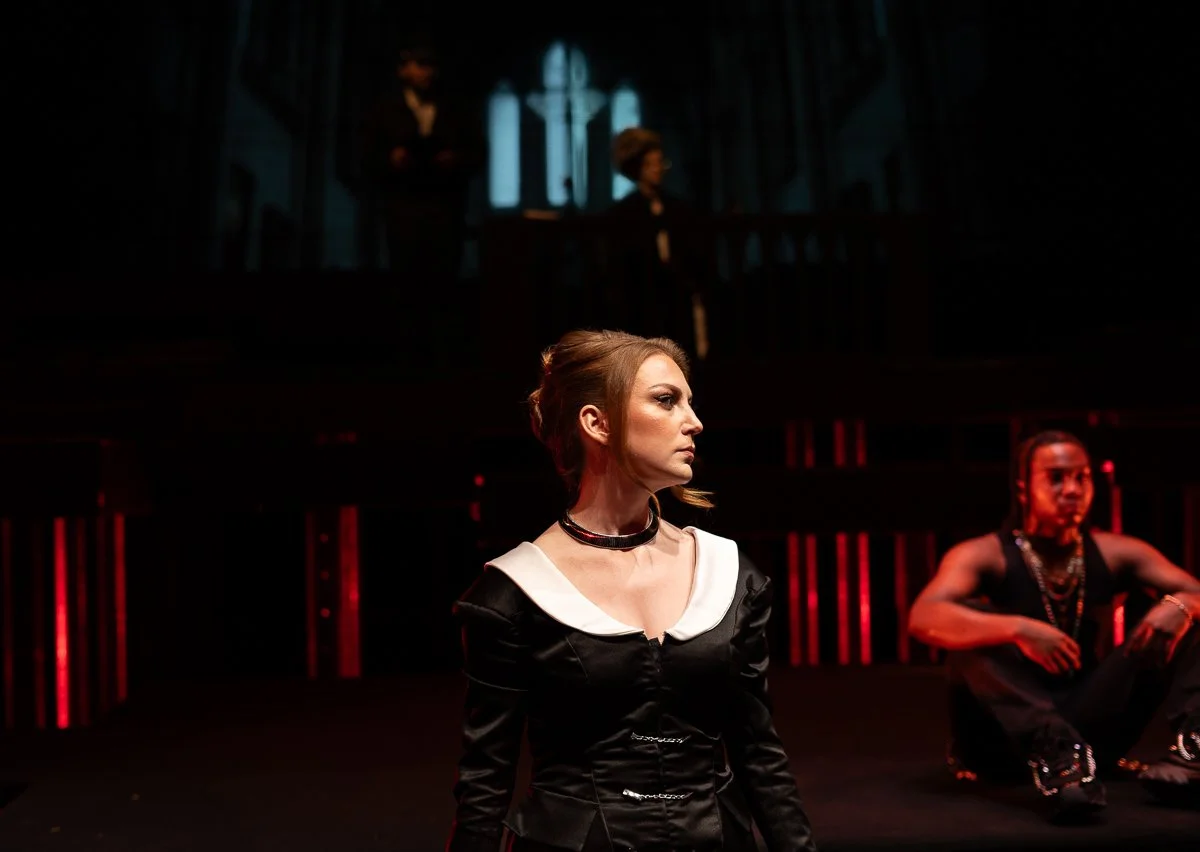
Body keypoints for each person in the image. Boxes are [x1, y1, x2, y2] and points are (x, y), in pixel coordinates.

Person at [445, 330, 817, 851]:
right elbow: (485, 785)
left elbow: (759, 755)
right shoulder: (515, 592)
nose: (694, 422)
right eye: (666, 400)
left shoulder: (726, 572)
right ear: (597, 423)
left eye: (689, 401)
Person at [908, 429, 1200, 820]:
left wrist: (1183, 605)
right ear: (1024, 488)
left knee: (1186, 613)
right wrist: (1018, 629)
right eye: (1056, 478)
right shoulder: (983, 554)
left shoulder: (1117, 551)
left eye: (1082, 478)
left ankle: (1194, 750)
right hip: (1001, 741)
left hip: (1088, 735)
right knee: (970, 624)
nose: (1072, 489)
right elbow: (923, 616)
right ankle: (1057, 753)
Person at [360, 37, 482, 282]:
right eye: (421, 65)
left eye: (431, 66)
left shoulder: (456, 110)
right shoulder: (384, 111)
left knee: (442, 274)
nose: (428, 73)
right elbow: (367, 155)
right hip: (403, 210)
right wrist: (391, 159)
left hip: (445, 211)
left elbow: (477, 152)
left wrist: (456, 160)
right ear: (403, 70)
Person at [605, 130, 709, 360]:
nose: (657, 169)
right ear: (637, 168)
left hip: (676, 297)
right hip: (643, 298)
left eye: (660, 163)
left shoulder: (678, 208)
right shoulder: (624, 212)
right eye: (650, 164)